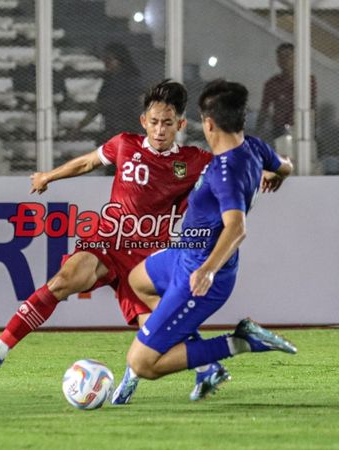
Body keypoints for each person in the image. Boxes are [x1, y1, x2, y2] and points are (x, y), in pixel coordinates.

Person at [0, 80, 229, 399]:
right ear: (144, 121)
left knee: (159, 329)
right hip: (106, 242)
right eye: (154, 122)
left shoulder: (194, 160)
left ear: (181, 125)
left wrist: (269, 171)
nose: (160, 130)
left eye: (167, 124)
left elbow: (233, 169)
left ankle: (201, 367)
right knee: (63, 280)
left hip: (146, 258)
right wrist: (49, 176)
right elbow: (88, 162)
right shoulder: (125, 145)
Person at [110, 79, 296, 405]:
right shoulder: (254, 146)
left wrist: (208, 270)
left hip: (200, 272)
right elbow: (287, 165)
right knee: (137, 281)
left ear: (208, 124)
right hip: (184, 255)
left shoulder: (226, 171)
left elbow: (236, 228)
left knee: (141, 364)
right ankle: (206, 367)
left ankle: (240, 342)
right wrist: (275, 175)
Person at [68, 43, 143, 142]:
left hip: (129, 130)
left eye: (109, 59)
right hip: (112, 129)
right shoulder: (109, 80)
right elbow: (99, 105)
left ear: (119, 61)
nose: (105, 62)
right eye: (104, 59)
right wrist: (79, 127)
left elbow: (140, 102)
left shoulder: (131, 81)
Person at [256, 43, 317, 143]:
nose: (284, 60)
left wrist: (312, 128)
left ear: (295, 58)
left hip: (302, 128)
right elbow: (264, 109)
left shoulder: (307, 80)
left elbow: (312, 104)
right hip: (279, 129)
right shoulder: (272, 83)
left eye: (288, 56)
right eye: (281, 57)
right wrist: (257, 133)